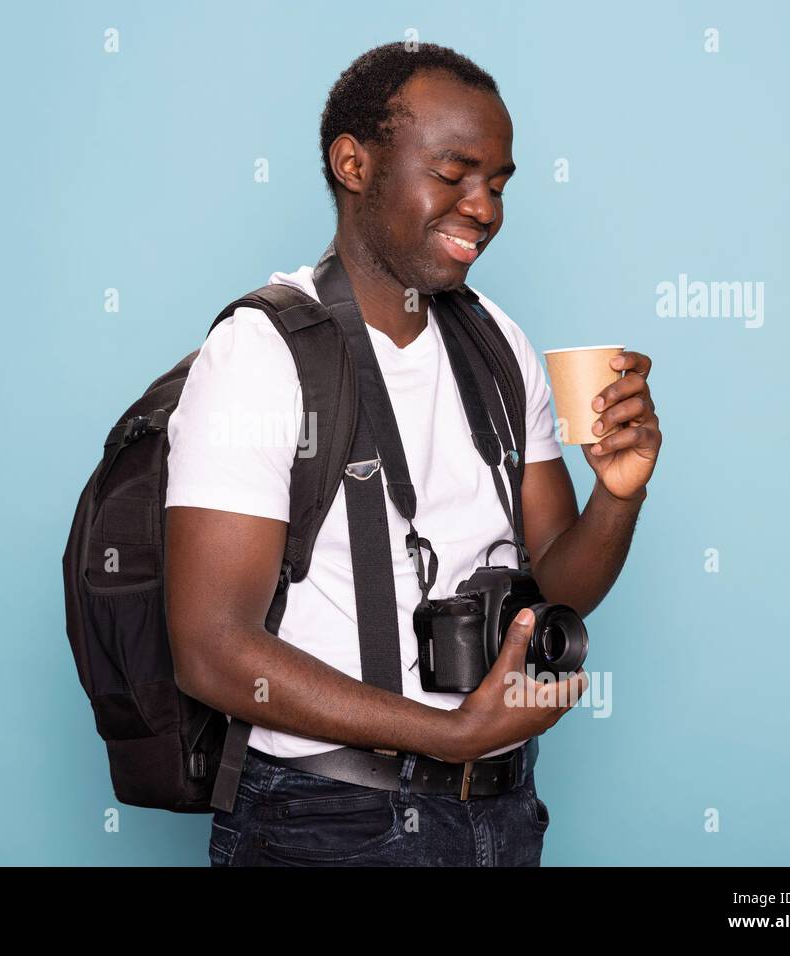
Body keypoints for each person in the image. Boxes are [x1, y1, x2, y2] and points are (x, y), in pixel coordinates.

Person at [163, 42, 662, 866]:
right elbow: (211, 649)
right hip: (323, 822)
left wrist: (619, 495)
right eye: (454, 173)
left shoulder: (497, 340)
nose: (485, 208)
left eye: (498, 183)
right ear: (354, 164)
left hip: (503, 811)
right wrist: (448, 731)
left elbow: (565, 583)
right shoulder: (262, 352)